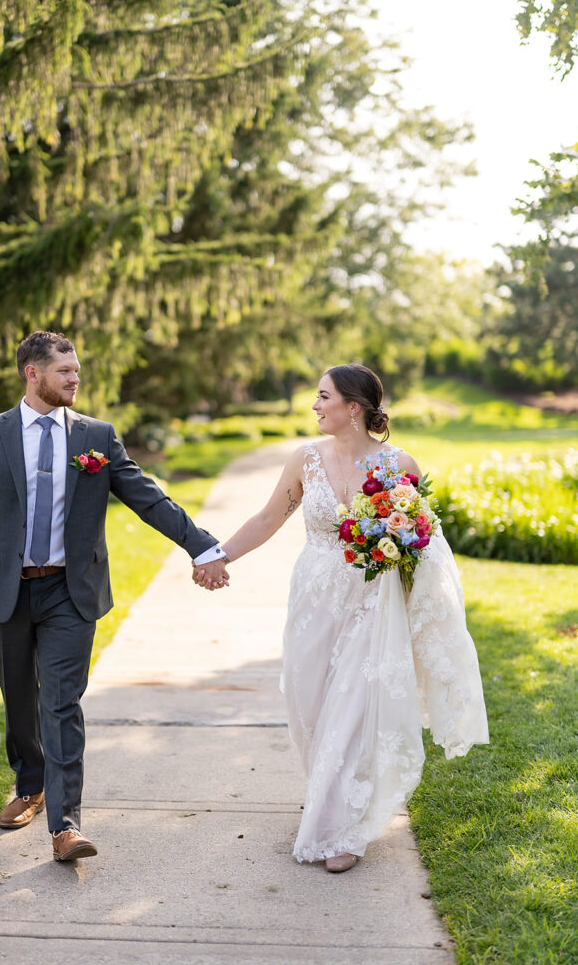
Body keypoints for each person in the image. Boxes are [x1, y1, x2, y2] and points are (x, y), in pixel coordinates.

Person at [0, 331, 230, 862]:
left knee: (61, 702)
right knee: (19, 697)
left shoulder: (96, 435)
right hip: (7, 591)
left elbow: (147, 498)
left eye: (76, 370)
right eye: (64, 371)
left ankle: (65, 826)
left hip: (72, 591)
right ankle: (30, 783)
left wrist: (202, 547)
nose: (75, 379)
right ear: (33, 373)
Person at [194, 363, 488, 873]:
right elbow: (267, 519)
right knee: (310, 704)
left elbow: (424, 543)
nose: (315, 405)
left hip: (375, 602)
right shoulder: (305, 460)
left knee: (354, 706)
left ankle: (344, 830)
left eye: (323, 396)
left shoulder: (400, 464)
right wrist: (216, 554)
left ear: (353, 408)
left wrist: (418, 602)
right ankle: (331, 796)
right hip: (314, 598)